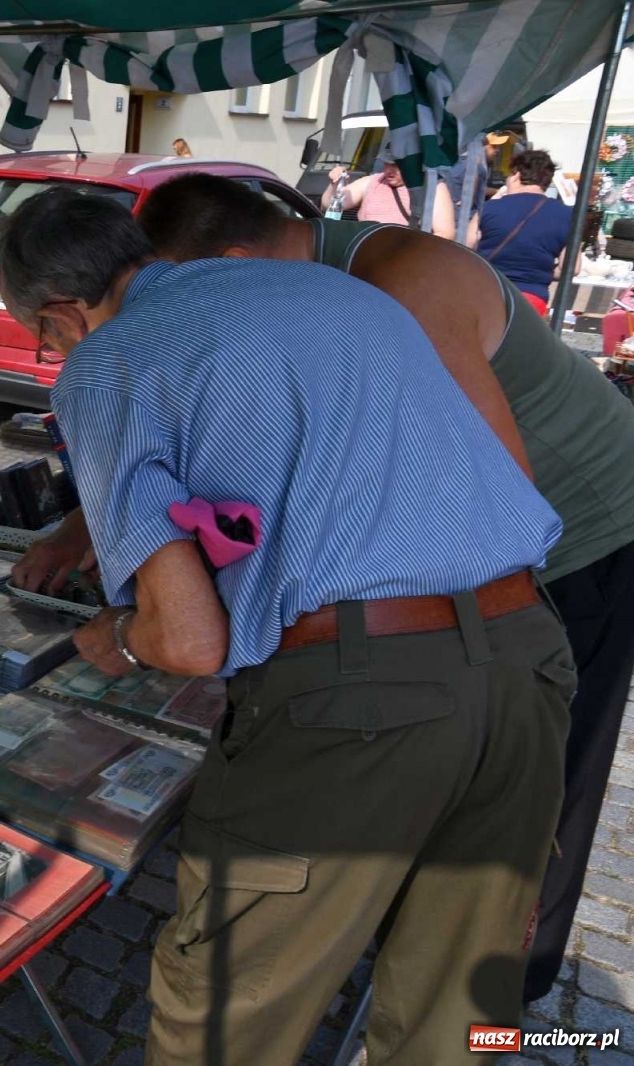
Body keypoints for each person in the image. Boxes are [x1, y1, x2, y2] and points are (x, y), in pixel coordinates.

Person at [0, 186, 570, 1066]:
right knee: (457, 1011)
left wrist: (113, 639)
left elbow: (188, 642)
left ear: (66, 311)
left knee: (226, 1015)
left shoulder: (108, 361)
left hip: (360, 698)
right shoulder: (333, 291)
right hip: (528, 655)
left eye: (44, 335)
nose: (53, 351)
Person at [116, 172, 634, 1006]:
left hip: (586, 538)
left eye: (193, 294)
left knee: (535, 775)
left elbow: (498, 496)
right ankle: (406, 928)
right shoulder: (313, 283)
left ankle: (503, 981)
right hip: (498, 551)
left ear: (237, 260)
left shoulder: (405, 284)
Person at [470, 150, 576, 315]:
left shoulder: (489, 208)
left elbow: (467, 246)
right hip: (532, 298)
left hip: (488, 292)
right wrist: (541, 271)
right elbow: (571, 269)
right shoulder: (568, 216)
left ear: (516, 175)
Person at [328, 157, 456, 239]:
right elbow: (330, 204)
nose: (389, 170)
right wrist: (335, 183)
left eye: (396, 165)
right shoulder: (372, 181)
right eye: (386, 163)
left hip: (405, 259)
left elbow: (445, 234)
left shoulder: (433, 188)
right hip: (365, 252)